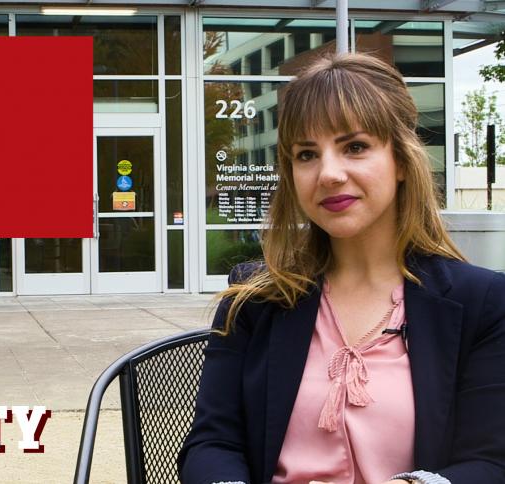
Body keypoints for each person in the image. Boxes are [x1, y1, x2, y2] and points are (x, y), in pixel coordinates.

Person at [178, 53, 505, 484]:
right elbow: (212, 445)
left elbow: (490, 462)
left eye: (355, 147)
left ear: (402, 160)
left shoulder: (482, 303)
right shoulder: (255, 298)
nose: (328, 174)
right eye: (306, 154)